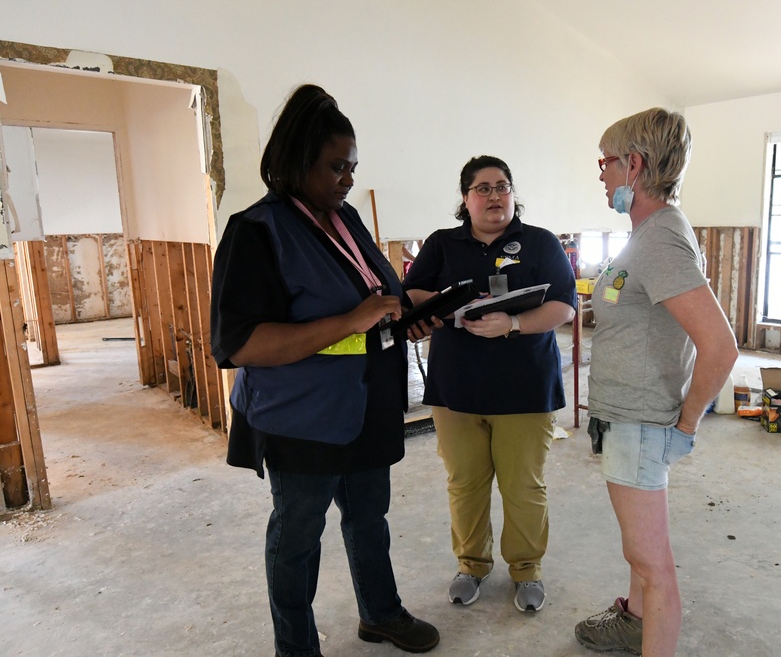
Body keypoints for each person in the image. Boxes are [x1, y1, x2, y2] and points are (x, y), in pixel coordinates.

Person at [210, 84, 440, 656]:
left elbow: (372, 298)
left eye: (353, 168)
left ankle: (380, 614)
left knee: (369, 519)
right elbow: (240, 344)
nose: (348, 179)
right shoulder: (256, 231)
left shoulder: (346, 220)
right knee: (297, 539)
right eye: (337, 167)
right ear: (296, 160)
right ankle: (297, 646)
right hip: (302, 421)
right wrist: (354, 319)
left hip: (367, 408)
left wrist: (405, 314)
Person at [574, 109, 739, 657]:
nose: (601, 174)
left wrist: (685, 423)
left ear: (635, 165)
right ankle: (633, 621)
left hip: (641, 424)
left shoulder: (660, 239)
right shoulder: (648, 234)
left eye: (606, 162)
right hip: (626, 419)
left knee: (653, 563)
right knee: (638, 552)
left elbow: (719, 346)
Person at [402, 156, 576, 613]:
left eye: (502, 186)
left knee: (523, 487)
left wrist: (514, 323)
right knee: (466, 484)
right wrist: (438, 307)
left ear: (513, 194)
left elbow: (564, 306)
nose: (494, 195)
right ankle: (471, 565)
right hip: (456, 389)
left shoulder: (540, 243)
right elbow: (414, 291)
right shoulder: (442, 244)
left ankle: (526, 570)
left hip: (525, 390)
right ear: (465, 199)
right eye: (483, 188)